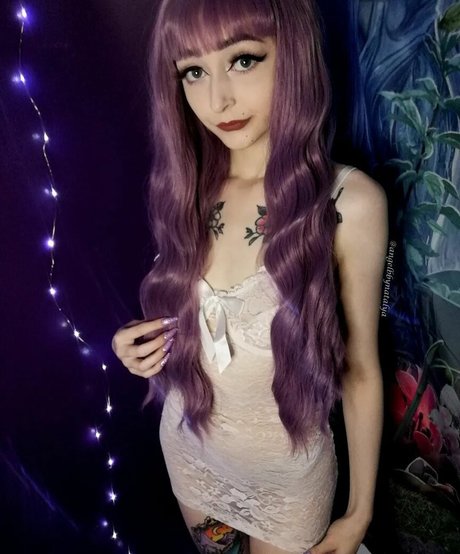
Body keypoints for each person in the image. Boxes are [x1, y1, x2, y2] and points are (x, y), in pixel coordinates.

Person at [111, 0, 388, 552]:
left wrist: (359, 513)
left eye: (242, 60)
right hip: (191, 456)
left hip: (287, 487)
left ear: (293, 54)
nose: (218, 99)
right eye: (193, 71)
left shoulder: (347, 204)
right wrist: (135, 346)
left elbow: (359, 371)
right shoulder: (189, 189)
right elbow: (187, 318)